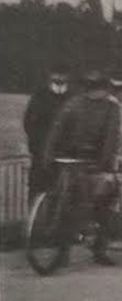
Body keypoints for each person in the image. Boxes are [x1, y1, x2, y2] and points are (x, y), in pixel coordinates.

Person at [41, 69, 122, 266]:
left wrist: (48, 155)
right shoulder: (110, 107)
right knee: (102, 202)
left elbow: (55, 130)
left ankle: (64, 253)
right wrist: (105, 166)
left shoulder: (74, 103)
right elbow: (110, 139)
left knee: (70, 203)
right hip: (92, 162)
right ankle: (98, 249)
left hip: (75, 160)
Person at [23, 66, 72, 200]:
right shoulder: (40, 97)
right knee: (39, 188)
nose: (59, 84)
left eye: (62, 80)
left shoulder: (71, 98)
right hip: (42, 152)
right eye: (57, 80)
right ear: (50, 79)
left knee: (58, 191)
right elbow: (29, 123)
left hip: (60, 154)